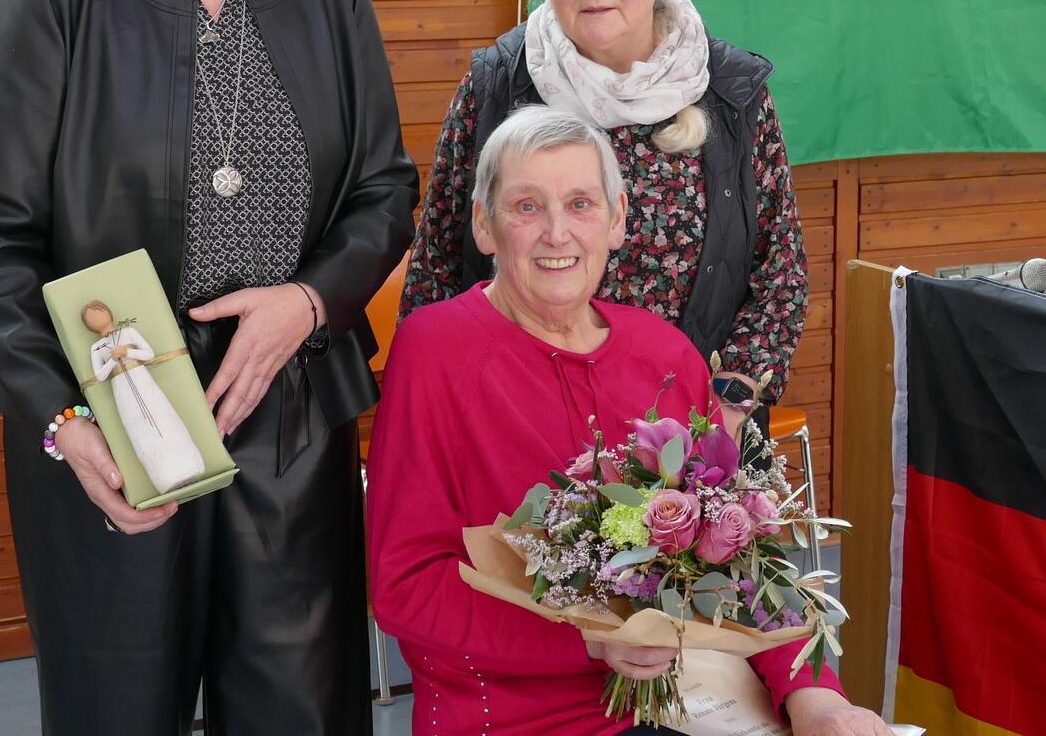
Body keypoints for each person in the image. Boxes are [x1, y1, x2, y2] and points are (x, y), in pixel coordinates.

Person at [0, 0, 416, 735]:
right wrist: (66, 424)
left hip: (289, 414)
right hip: (115, 417)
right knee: (118, 706)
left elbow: (386, 188)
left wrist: (307, 299)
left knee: (301, 710)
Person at [369, 106, 886, 735]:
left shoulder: (664, 353)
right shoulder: (435, 352)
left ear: (616, 220)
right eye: (526, 207)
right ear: (484, 224)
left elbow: (745, 559)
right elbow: (407, 586)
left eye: (581, 204)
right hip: (515, 716)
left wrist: (817, 700)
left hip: (697, 698)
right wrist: (588, 641)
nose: (557, 233)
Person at [400, 0, 808, 436]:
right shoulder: (497, 84)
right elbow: (437, 264)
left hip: (691, 423)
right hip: (515, 418)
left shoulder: (731, 94)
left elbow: (779, 274)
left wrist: (727, 407)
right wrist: (450, 405)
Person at [82, 300, 206, 493]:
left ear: (107, 312)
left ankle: (190, 464)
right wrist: (112, 360)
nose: (96, 318)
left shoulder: (128, 332)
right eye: (91, 318)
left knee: (162, 416)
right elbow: (100, 376)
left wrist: (127, 351)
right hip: (121, 388)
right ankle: (164, 478)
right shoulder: (96, 348)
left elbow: (148, 354)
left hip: (142, 379)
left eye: (97, 312)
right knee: (139, 427)